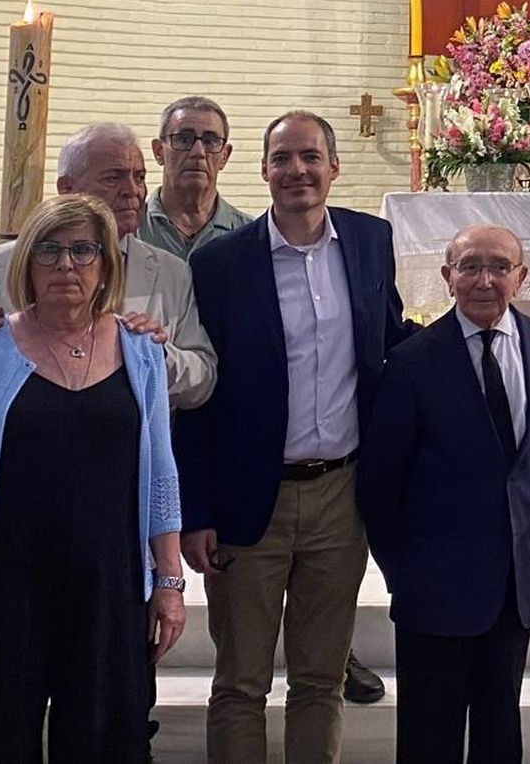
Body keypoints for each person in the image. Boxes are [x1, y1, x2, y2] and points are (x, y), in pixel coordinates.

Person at [175, 110, 415, 762]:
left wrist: (461, 344)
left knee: (320, 679)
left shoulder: (368, 242)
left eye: (310, 157)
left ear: (334, 168)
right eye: (282, 159)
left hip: (340, 494)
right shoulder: (222, 263)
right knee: (240, 683)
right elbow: (196, 398)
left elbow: (389, 344)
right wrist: (195, 512)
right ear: (262, 171)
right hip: (250, 501)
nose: (297, 171)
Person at [0, 195, 185, 761]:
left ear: (106, 263)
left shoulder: (141, 350)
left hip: (108, 592)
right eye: (49, 250)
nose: (66, 264)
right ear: (26, 264)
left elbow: (161, 475)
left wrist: (168, 581)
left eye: (83, 250)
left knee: (104, 746)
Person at [358, 224, 530, 762]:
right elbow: (381, 485)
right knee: (431, 737)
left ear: (521, 278)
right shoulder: (410, 362)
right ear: (447, 277)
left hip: (512, 586)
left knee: (501, 733)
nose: (485, 279)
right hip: (434, 585)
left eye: (499, 267)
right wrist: (406, 571)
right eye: (470, 266)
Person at [0, 122, 216, 410]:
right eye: (113, 178)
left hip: (129, 449)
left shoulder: (171, 273)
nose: (132, 190)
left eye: (139, 177)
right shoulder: (0, 266)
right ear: (67, 188)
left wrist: (151, 355)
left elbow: (203, 379)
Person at [139, 95, 252, 259]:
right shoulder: (128, 231)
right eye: (184, 139)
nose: (198, 152)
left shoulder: (251, 237)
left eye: (210, 141)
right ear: (159, 151)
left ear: (224, 156)